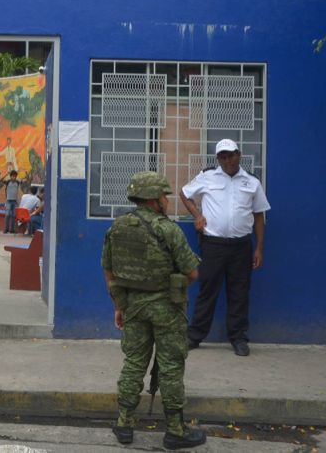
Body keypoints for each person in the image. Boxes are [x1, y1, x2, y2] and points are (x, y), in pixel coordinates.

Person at [102, 171, 205, 449]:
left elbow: (109, 270)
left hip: (133, 308)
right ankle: (175, 430)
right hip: (167, 310)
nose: (167, 200)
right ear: (153, 199)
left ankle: (124, 424)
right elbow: (192, 273)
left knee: (134, 363)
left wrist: (118, 306)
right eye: (164, 196)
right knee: (171, 367)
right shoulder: (168, 230)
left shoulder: (118, 227)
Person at [179, 138, 270, 357]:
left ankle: (238, 338)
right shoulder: (208, 176)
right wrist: (198, 216)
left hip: (241, 247)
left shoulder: (251, 182)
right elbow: (184, 193)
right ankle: (195, 335)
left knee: (239, 292)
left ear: (239, 154)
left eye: (231, 155)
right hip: (213, 245)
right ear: (218, 159)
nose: (228, 160)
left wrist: (259, 248)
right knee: (207, 290)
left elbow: (259, 215)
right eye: (223, 156)